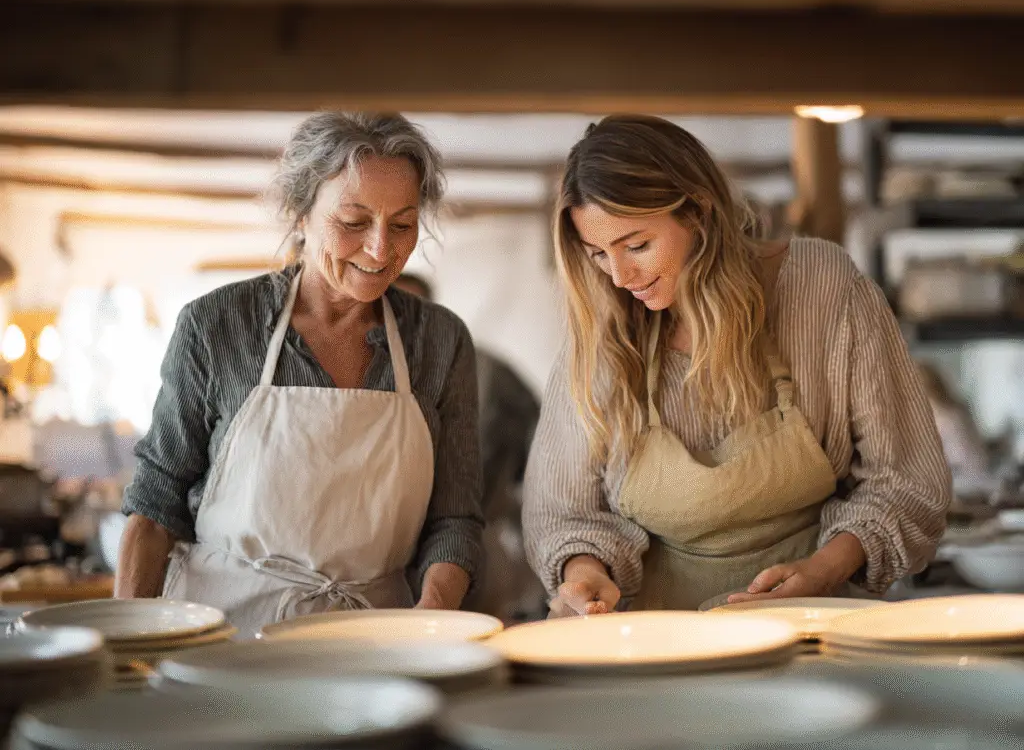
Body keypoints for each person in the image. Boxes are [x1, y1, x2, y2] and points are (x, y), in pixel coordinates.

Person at [523, 115, 952, 616]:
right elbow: (564, 513)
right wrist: (584, 573)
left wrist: (822, 571)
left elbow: (906, 481)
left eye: (637, 246)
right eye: (598, 254)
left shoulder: (820, 287)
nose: (620, 276)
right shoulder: (602, 333)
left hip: (815, 619)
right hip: (659, 634)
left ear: (699, 211)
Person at [116, 112, 484, 637]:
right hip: (227, 634)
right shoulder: (218, 325)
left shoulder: (440, 341)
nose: (381, 249)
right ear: (301, 213)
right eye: (353, 222)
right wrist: (129, 647)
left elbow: (454, 520)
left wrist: (433, 613)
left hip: (378, 637)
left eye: (402, 225)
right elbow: (155, 508)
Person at [393, 273, 546, 621]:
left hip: (479, 544)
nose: (403, 325)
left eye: (415, 312)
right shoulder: (364, 375)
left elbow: (536, 463)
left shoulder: (487, 371)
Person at [915, 361, 993, 494]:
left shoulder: (944, 416)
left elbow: (963, 459)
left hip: (966, 484)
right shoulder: (953, 409)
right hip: (973, 480)